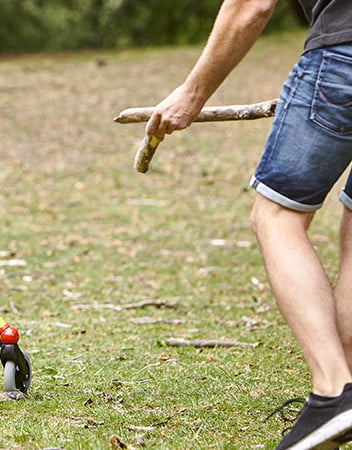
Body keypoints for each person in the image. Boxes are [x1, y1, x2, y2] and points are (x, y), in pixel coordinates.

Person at [144, 1, 352, 448]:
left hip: (344, 55)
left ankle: (333, 391)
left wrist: (192, 92)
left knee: (277, 217)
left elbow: (251, 5)